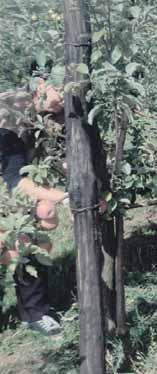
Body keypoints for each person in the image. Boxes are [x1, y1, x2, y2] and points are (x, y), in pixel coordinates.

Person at [0, 77, 67, 336]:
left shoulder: (50, 110)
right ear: (40, 84)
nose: (61, 99)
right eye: (58, 90)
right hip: (9, 185)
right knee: (18, 243)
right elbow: (15, 182)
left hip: (10, 185)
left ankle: (35, 314)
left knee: (36, 237)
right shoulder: (10, 114)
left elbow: (61, 157)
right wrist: (64, 197)